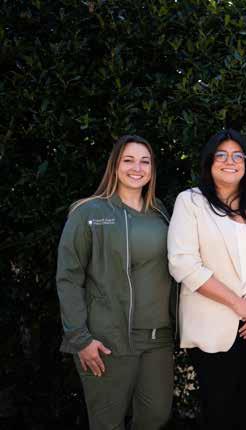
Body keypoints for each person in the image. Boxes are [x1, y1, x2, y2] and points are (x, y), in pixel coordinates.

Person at [167, 129, 246, 430]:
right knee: (217, 411)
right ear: (209, 162)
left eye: (237, 155)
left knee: (242, 409)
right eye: (221, 155)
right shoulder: (191, 202)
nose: (229, 161)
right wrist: (238, 304)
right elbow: (183, 263)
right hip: (212, 325)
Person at [56, 135, 174, 430]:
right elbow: (68, 277)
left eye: (145, 161)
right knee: (107, 423)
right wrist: (80, 338)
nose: (137, 168)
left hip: (158, 338)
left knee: (156, 416)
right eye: (128, 160)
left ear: (152, 169)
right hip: (108, 338)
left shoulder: (160, 212)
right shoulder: (88, 212)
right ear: (115, 166)